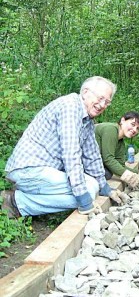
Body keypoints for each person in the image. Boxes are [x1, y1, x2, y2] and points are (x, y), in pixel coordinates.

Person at [1, 76, 125, 218]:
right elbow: (71, 155)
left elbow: (92, 156)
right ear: (85, 92)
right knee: (88, 192)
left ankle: (24, 196)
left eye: (107, 102)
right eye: (100, 98)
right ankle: (16, 202)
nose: (102, 104)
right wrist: (85, 203)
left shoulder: (87, 120)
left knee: (93, 185)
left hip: (43, 171)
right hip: (27, 170)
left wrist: (106, 189)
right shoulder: (70, 107)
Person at [95, 111, 139, 189]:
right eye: (133, 124)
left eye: (137, 128)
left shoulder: (120, 142)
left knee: (108, 172)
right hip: (81, 162)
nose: (134, 130)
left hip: (95, 163)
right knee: (107, 173)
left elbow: (120, 165)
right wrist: (128, 176)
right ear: (122, 121)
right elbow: (108, 159)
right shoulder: (111, 129)